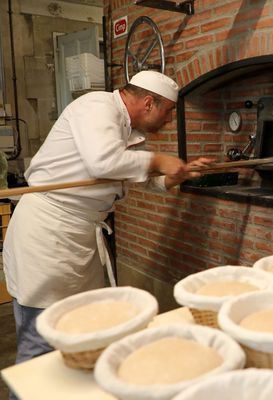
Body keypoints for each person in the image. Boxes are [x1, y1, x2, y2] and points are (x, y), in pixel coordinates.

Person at [2, 71, 211, 370]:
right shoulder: (96, 107)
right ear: (149, 103)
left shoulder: (129, 131)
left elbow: (133, 178)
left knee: (79, 328)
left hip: (78, 235)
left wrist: (174, 176)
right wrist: (157, 160)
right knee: (40, 341)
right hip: (47, 233)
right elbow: (103, 161)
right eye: (169, 112)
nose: (169, 120)